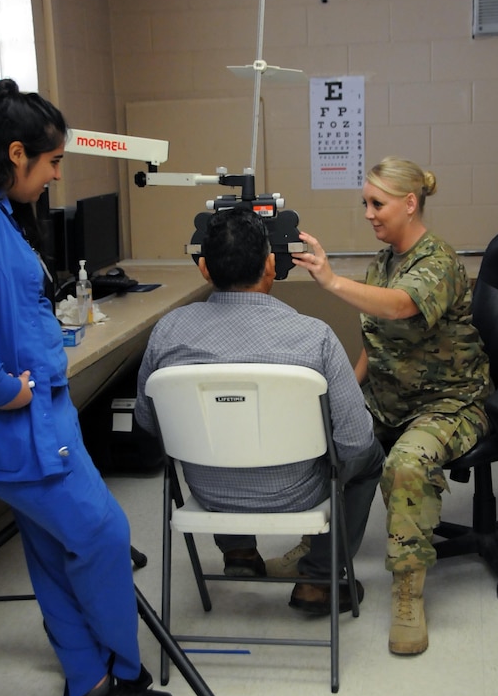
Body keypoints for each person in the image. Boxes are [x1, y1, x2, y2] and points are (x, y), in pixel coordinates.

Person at [0, 79, 173, 696]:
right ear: (16, 153)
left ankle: (89, 687)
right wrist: (2, 387)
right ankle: (123, 672)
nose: (54, 176)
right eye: (51, 163)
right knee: (103, 533)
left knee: (53, 547)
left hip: (40, 412)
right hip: (13, 420)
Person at [285, 156, 492, 654]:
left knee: (404, 464)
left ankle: (407, 593)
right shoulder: (384, 262)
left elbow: (401, 306)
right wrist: (346, 398)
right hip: (389, 398)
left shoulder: (438, 261)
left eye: (377, 204)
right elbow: (375, 346)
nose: (369, 214)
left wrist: (332, 282)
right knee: (337, 440)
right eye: (365, 204)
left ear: (409, 203)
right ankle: (321, 562)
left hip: (448, 403)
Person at [135, 205, 384, 615]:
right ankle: (319, 579)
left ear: (204, 269)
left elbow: (148, 421)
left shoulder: (168, 333)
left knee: (223, 445)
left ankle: (239, 556)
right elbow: (356, 440)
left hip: (209, 492)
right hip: (297, 493)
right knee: (369, 459)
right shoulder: (314, 338)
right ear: (271, 265)